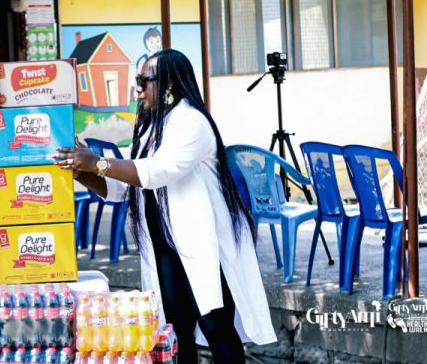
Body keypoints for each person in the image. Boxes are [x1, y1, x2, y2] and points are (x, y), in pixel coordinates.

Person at [56, 49, 276, 363]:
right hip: (165, 245)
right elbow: (122, 186)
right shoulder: (150, 128)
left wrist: (98, 162)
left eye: (144, 81)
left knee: (216, 327)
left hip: (200, 245)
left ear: (168, 83)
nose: (138, 89)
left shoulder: (191, 122)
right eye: (137, 81)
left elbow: (157, 171)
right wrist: (84, 171)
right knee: (176, 329)